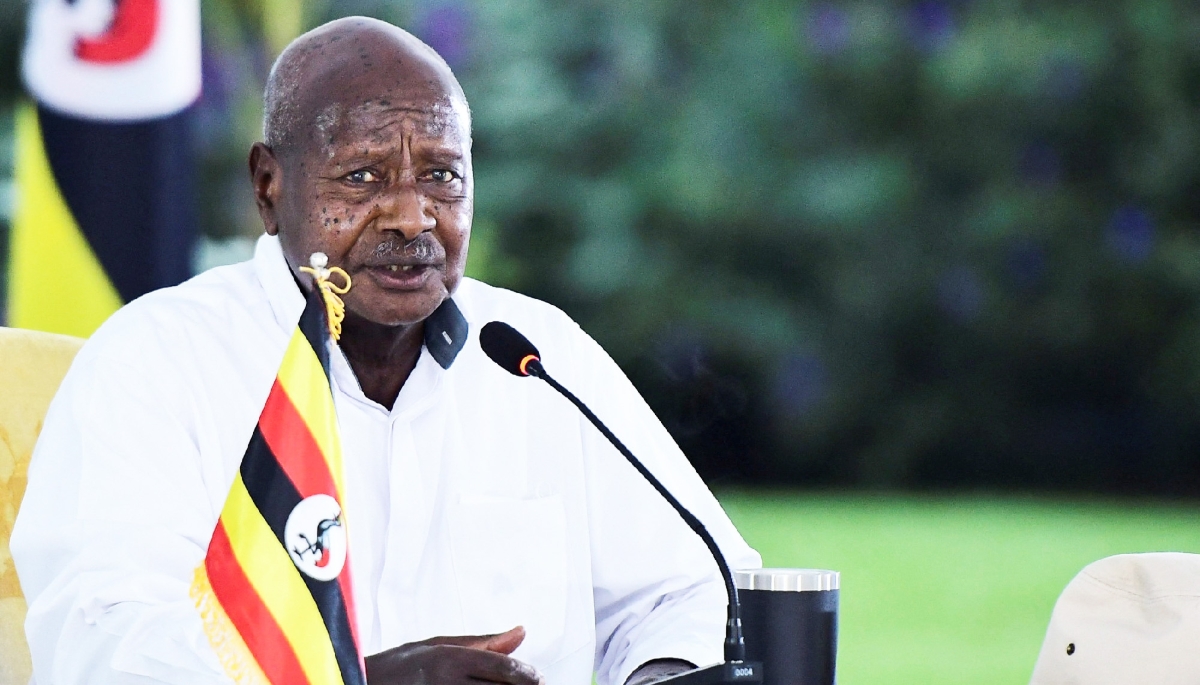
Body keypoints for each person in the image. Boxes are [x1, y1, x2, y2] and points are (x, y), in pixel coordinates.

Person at [11, 16, 761, 685]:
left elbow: (697, 588)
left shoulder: (536, 355)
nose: (411, 215)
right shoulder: (158, 361)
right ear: (269, 187)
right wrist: (350, 682)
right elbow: (99, 641)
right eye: (363, 177)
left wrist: (663, 673)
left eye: (441, 176)